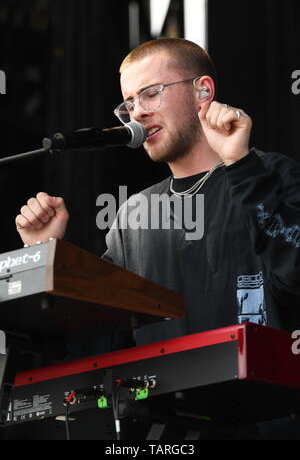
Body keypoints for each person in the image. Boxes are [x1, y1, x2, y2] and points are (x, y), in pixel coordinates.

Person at [15, 38, 300, 347]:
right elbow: (96, 341)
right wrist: (45, 257)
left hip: (264, 392)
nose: (137, 113)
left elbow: (294, 274)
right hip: (162, 397)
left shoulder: (270, 174)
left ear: (202, 91)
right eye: (129, 104)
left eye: (151, 94)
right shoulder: (133, 217)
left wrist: (241, 166)